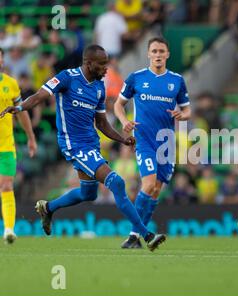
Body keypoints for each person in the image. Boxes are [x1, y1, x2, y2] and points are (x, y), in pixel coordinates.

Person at [0, 45, 165, 251]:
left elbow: (102, 123)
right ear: (89, 63)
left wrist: (122, 139)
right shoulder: (67, 77)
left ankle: (48, 208)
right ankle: (146, 235)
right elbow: (41, 95)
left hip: (91, 145)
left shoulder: (99, 88)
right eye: (102, 64)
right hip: (73, 145)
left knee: (89, 194)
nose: (106, 68)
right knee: (117, 183)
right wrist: (20, 107)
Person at [114, 37, 191, 248]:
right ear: (148, 54)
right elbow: (118, 105)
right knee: (148, 184)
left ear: (167, 55)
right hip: (145, 140)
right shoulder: (136, 78)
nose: (158, 55)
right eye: (154, 51)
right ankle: (134, 235)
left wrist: (182, 115)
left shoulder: (176, 80)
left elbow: (187, 109)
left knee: (156, 190)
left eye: (161, 51)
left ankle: (136, 239)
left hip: (166, 143)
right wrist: (124, 121)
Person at [0, 47, 37, 244]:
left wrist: (31, 136)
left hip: (5, 146)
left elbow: (21, 112)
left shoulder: (11, 84)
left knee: (6, 185)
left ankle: (8, 230)